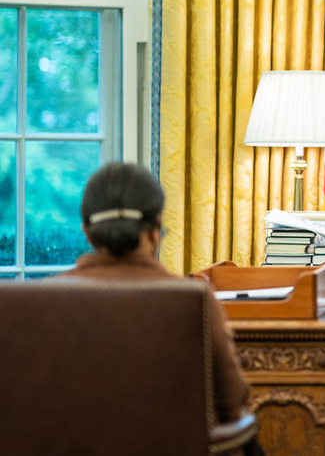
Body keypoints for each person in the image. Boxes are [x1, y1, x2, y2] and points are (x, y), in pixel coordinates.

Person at [61, 162, 251, 424]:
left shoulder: (39, 303)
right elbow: (234, 399)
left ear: (88, 233)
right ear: (155, 231)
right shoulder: (197, 300)